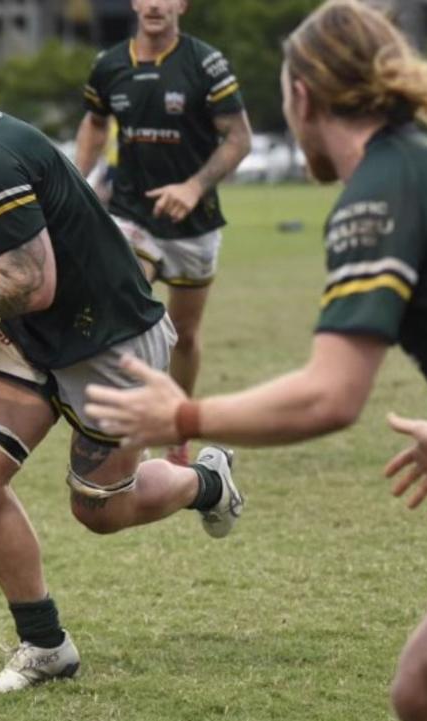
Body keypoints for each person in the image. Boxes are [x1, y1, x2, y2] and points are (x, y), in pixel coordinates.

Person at [85, 2, 427, 718]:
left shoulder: (378, 197)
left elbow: (331, 395)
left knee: (426, 690)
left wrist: (182, 412)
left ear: (303, 96)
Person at [0, 25, 243, 693]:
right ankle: (44, 643)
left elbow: (31, 281)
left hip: (110, 342)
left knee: (100, 511)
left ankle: (207, 482)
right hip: (36, 336)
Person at [74, 0, 252, 465]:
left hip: (194, 223)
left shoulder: (206, 63)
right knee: (124, 306)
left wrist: (193, 187)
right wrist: (76, 183)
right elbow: (94, 125)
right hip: (132, 214)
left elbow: (239, 138)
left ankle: (177, 428)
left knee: (186, 335)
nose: (155, 4)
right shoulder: (109, 65)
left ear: (182, 5)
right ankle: (116, 427)